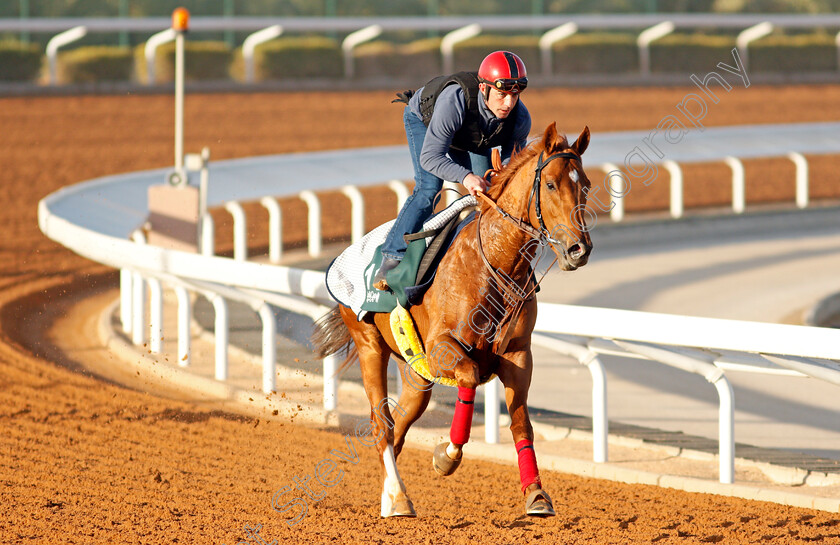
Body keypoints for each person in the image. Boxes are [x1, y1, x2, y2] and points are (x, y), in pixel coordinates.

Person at [374, 50, 532, 290]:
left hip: (470, 135)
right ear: (483, 89)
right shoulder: (454, 101)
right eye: (501, 95)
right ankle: (391, 257)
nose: (509, 103)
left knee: (488, 193)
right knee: (429, 188)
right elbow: (430, 157)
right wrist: (466, 177)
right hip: (426, 122)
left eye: (515, 95)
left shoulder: (520, 118)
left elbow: (514, 171)